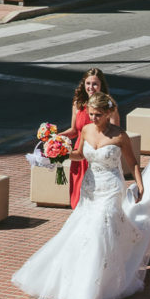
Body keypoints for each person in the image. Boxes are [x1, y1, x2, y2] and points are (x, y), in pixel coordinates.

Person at [12, 93, 150, 299]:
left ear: (108, 113)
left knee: (100, 229)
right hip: (90, 187)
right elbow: (80, 155)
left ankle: (96, 287)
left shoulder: (120, 136)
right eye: (91, 114)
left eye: (98, 115)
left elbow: (132, 163)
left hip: (111, 187)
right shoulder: (85, 130)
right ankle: (81, 278)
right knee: (83, 230)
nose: (93, 118)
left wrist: (140, 184)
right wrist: (62, 153)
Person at [58, 68, 121, 209]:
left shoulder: (109, 107)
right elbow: (74, 131)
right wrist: (56, 138)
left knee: (96, 202)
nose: (90, 87)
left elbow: (116, 135)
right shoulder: (77, 103)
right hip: (78, 157)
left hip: (97, 158)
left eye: (95, 84)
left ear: (101, 86)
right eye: (88, 83)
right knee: (78, 199)